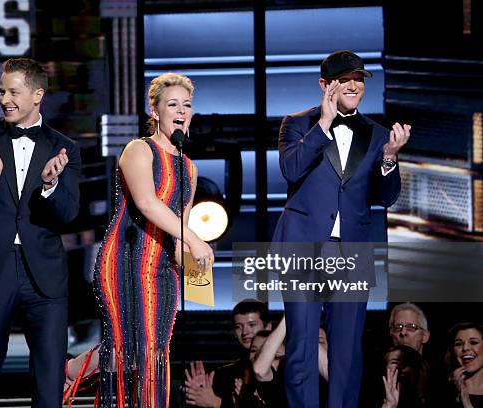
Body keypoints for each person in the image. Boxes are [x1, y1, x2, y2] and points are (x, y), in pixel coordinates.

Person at [272, 50, 411, 407]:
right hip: (303, 245)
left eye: (358, 80)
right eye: (344, 79)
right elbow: (290, 169)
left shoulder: (378, 134)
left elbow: (387, 197)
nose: (353, 86)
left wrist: (391, 158)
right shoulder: (298, 124)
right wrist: (323, 124)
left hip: (352, 249)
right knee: (302, 343)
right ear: (325, 85)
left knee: (347, 347)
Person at [0, 58, 81, 407]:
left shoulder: (64, 147)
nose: (4, 98)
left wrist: (50, 185)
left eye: (13, 91)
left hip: (44, 274)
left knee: (50, 374)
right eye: (1, 91)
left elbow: (69, 213)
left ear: (38, 94)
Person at [93, 72, 214, 408]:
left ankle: (73, 369)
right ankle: (73, 369)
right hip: (126, 260)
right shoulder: (139, 150)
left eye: (187, 105)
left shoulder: (189, 167)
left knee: (153, 350)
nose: (181, 110)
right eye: (173, 104)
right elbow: (147, 203)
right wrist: (194, 239)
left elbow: (179, 230)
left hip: (163, 270)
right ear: (155, 111)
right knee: (136, 351)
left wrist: (194, 257)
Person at [184, 299, 271, 407]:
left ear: (268, 327)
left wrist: (217, 403)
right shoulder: (224, 375)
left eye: (252, 325)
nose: (244, 332)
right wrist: (199, 394)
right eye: (238, 327)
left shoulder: (282, 367)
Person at [444, 322, 483, 407]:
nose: (465, 348)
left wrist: (466, 402)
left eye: (473, 342)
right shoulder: (443, 390)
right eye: (458, 344)